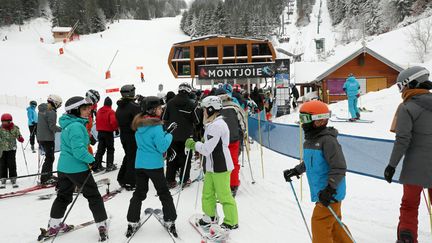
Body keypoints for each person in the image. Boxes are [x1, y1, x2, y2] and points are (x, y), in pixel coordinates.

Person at [283, 100, 352, 243]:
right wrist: (296, 170)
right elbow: (310, 162)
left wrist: (330, 189)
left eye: (305, 119)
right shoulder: (309, 141)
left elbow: (339, 167)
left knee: (319, 223)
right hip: (322, 193)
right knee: (334, 225)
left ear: (319, 121)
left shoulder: (328, 141)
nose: (303, 123)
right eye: (301, 118)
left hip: (330, 193)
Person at [43, 96, 108, 241]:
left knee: (63, 196)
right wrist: (93, 161)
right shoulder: (77, 127)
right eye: (84, 109)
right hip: (77, 168)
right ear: (74, 111)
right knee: (94, 196)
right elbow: (79, 151)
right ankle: (102, 224)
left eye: (88, 109)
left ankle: (54, 225)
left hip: (64, 168)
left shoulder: (70, 124)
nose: (88, 112)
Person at [383, 66, 432, 243]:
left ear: (411, 83)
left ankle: (407, 239)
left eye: (401, 87)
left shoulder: (407, 107)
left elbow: (402, 140)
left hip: (415, 169)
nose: (401, 91)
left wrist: (391, 166)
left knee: (409, 205)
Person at [126, 96, 177, 237]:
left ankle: (132, 220)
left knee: (139, 193)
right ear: (152, 110)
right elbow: (162, 147)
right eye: (160, 108)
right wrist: (169, 135)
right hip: (154, 165)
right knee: (163, 192)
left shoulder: (140, 125)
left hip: (140, 164)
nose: (162, 110)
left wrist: (165, 133)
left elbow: (149, 143)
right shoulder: (156, 127)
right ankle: (170, 219)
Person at [185, 96, 239, 230]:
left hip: (221, 166)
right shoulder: (211, 124)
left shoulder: (217, 126)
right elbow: (209, 144)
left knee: (224, 195)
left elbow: (207, 149)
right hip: (211, 166)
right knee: (207, 193)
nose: (203, 112)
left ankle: (232, 221)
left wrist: (193, 144)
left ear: (210, 109)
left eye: (204, 109)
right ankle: (210, 216)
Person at [162, 82, 199, 189]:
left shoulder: (170, 102)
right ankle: (184, 179)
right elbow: (196, 120)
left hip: (172, 135)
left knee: (171, 158)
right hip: (187, 136)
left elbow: (164, 118)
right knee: (186, 158)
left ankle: (170, 180)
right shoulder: (192, 103)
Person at [217, 90, 247, 197]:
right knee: (233, 161)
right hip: (233, 138)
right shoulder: (235, 107)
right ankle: (233, 185)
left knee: (220, 162)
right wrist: (244, 132)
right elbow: (242, 122)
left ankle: (220, 184)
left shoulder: (216, 108)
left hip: (219, 139)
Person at [116, 84, 141, 190]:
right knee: (132, 157)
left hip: (124, 135)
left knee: (128, 156)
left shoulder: (120, 106)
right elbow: (140, 120)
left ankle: (122, 177)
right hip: (132, 135)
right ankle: (130, 181)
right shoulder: (133, 106)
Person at [37, 94, 63, 184]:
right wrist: (62, 129)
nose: (58, 107)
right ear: (55, 103)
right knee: (50, 158)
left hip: (41, 137)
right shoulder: (51, 111)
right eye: (59, 104)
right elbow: (52, 127)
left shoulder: (42, 109)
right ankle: (45, 178)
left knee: (49, 157)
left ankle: (48, 175)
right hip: (47, 138)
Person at [95, 97, 118, 172]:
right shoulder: (111, 111)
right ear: (110, 104)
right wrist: (116, 129)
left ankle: (97, 166)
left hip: (100, 133)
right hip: (108, 133)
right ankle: (109, 165)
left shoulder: (99, 110)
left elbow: (97, 120)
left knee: (100, 150)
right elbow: (113, 122)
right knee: (110, 149)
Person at [0, 113, 24, 188]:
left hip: (11, 149)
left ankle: (13, 177)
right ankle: (3, 177)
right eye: (2, 121)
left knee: (11, 163)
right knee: (2, 164)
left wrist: (20, 138)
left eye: (5, 121)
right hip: (2, 149)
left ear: (9, 121)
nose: (3, 123)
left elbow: (18, 135)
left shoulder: (14, 128)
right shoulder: (0, 128)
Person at [85, 89, 100, 155]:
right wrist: (90, 136)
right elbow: (84, 127)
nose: (95, 103)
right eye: (94, 101)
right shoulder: (84, 110)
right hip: (84, 135)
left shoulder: (92, 107)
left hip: (88, 131)